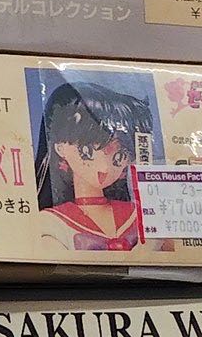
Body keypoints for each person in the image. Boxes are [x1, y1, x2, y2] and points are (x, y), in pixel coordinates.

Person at [33, 80, 155, 252]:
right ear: (60, 148)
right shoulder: (51, 222)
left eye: (119, 157)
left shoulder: (138, 214)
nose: (104, 168)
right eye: (87, 152)